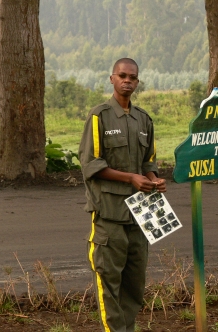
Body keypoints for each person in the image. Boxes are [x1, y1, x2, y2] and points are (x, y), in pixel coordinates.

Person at [79, 58, 167, 332]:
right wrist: (130, 178)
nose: (127, 81)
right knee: (108, 284)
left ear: (138, 82)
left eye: (132, 77)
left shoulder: (144, 119)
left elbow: (149, 162)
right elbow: (91, 164)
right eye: (122, 76)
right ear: (112, 79)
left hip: (139, 217)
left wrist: (153, 180)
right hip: (109, 216)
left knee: (134, 287)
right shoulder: (99, 116)